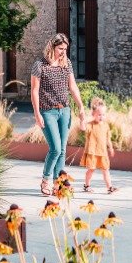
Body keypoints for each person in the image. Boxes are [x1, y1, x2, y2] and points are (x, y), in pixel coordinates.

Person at [31, 33, 86, 196]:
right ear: (53, 47)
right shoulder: (39, 65)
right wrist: (36, 113)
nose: (63, 52)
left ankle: (58, 183)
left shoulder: (66, 63)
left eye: (65, 49)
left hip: (65, 111)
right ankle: (46, 180)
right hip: (47, 111)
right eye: (60, 48)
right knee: (55, 148)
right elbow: (34, 90)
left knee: (62, 149)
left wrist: (81, 106)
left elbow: (73, 86)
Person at [80, 97, 118, 193]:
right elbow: (83, 128)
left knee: (106, 170)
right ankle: (86, 185)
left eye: (103, 115)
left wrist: (111, 148)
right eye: (99, 114)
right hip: (92, 152)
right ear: (93, 114)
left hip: (103, 152)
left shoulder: (106, 126)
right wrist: (82, 120)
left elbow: (108, 139)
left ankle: (109, 187)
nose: (101, 117)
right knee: (91, 170)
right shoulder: (90, 125)